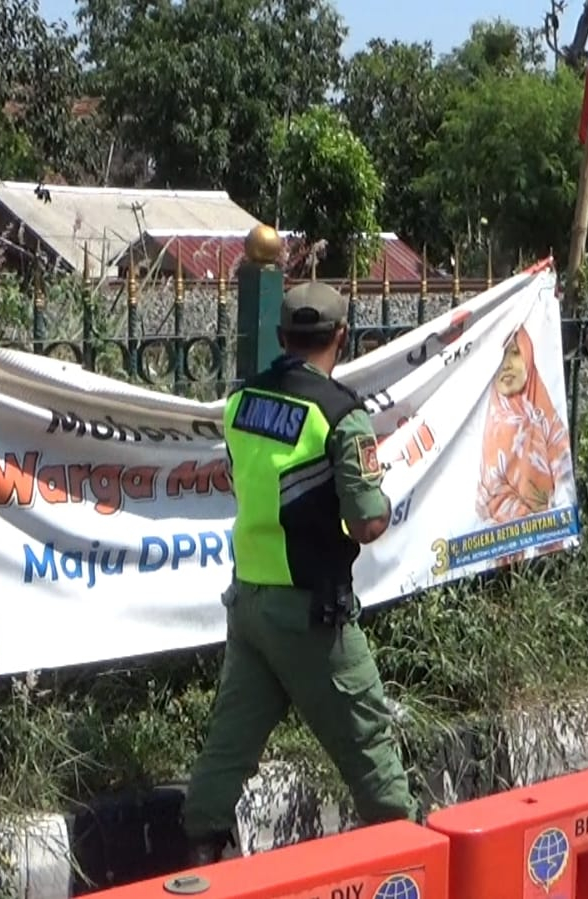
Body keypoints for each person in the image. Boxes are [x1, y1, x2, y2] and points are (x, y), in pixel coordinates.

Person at [181, 282, 418, 866]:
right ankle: (410, 865)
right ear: (341, 336)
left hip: (250, 603)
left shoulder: (239, 404)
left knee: (230, 742)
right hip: (312, 612)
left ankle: (196, 854)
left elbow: (240, 480)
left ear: (283, 338)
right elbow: (365, 523)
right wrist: (382, 505)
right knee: (370, 747)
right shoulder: (340, 415)